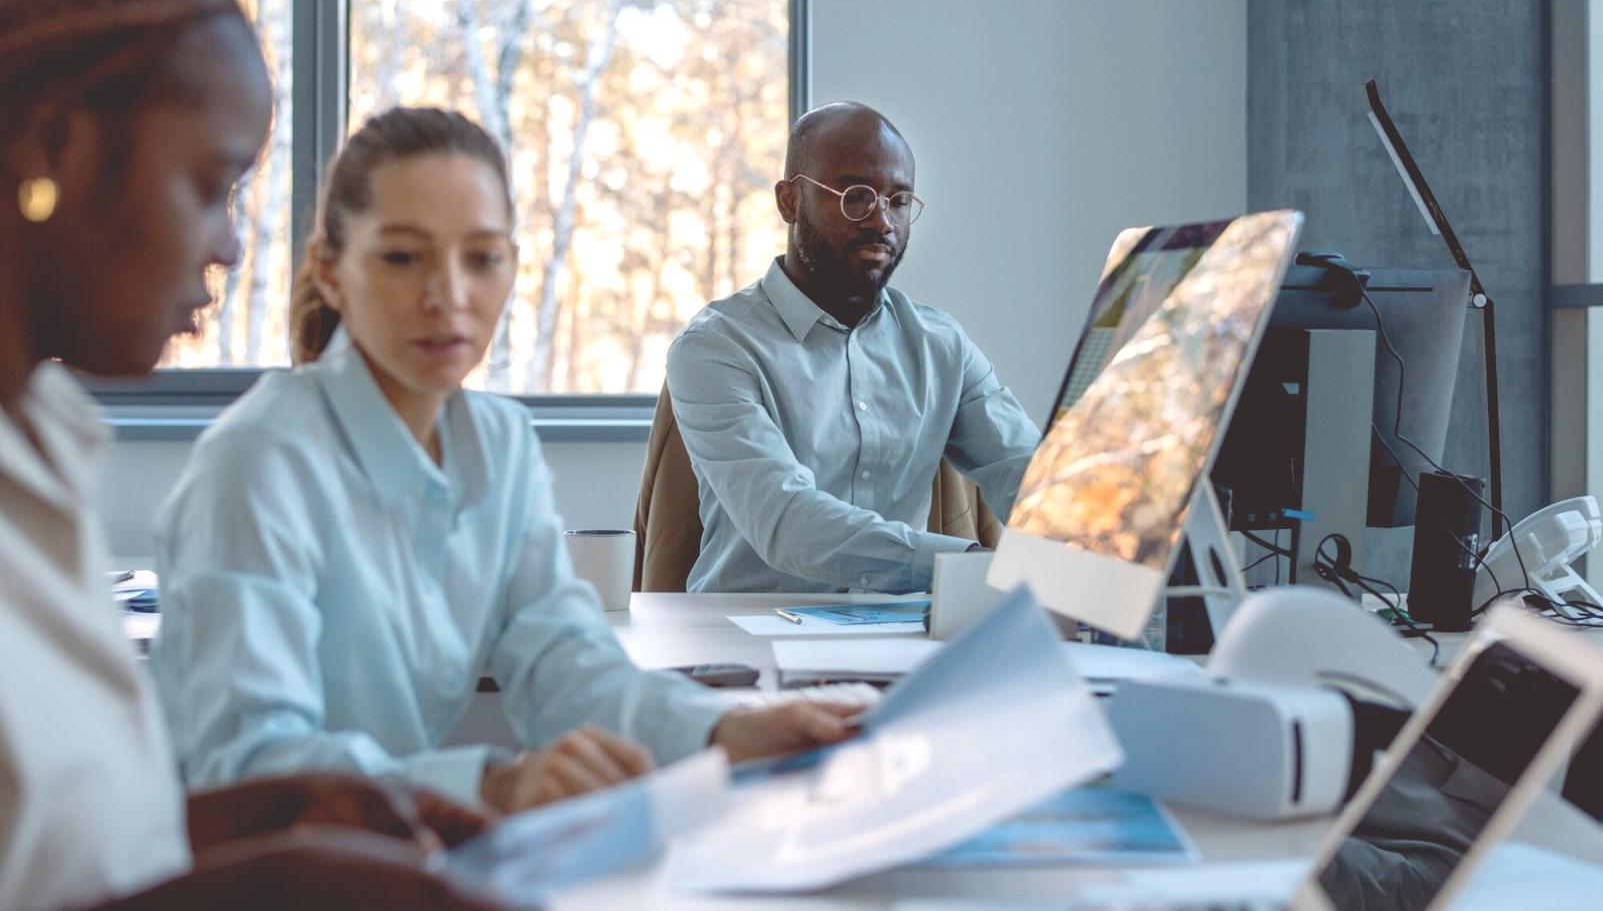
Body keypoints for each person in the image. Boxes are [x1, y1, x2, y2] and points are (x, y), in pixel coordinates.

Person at [0, 0, 513, 911]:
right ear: (53, 147)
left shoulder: (43, 437)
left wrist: (248, 824)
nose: (231, 245)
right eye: (212, 183)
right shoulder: (251, 452)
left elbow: (46, 844)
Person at [150, 106, 858, 815]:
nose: (448, 297)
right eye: (402, 257)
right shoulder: (258, 460)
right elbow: (246, 761)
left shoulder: (498, 443)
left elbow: (566, 664)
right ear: (331, 275)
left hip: (392, 859)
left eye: (482, 258)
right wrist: (489, 785)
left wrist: (726, 730)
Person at [667, 102, 1041, 592]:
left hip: (899, 640)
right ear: (789, 202)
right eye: (856, 196)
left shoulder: (941, 345)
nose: (882, 221)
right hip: (748, 643)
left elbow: (1031, 479)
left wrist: (1117, 544)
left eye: (899, 199)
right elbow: (788, 524)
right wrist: (975, 566)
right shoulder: (716, 347)